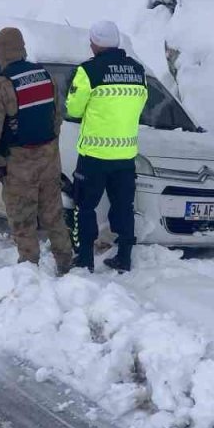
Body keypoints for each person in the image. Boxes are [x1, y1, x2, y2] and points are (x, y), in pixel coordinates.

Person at [0, 27, 72, 275]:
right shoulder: (44, 75)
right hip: (49, 158)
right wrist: (49, 150)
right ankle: (66, 264)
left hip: (19, 163)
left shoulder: (0, 86)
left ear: (0, 53)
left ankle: (29, 269)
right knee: (53, 215)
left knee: (23, 218)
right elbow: (56, 118)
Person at [66, 21, 147, 273]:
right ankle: (124, 257)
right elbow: (141, 105)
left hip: (94, 155)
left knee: (84, 206)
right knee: (124, 207)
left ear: (96, 43)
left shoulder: (88, 71)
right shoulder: (138, 71)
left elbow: (73, 108)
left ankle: (85, 260)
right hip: (125, 155)